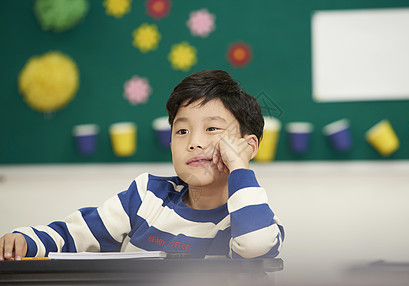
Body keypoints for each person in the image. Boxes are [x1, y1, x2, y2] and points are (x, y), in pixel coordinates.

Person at [0, 70, 284, 260]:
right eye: (182, 131)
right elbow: (73, 236)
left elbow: (254, 245)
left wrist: (239, 166)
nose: (194, 142)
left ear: (248, 146)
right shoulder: (145, 196)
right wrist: (23, 240)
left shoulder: (252, 219)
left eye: (211, 129)